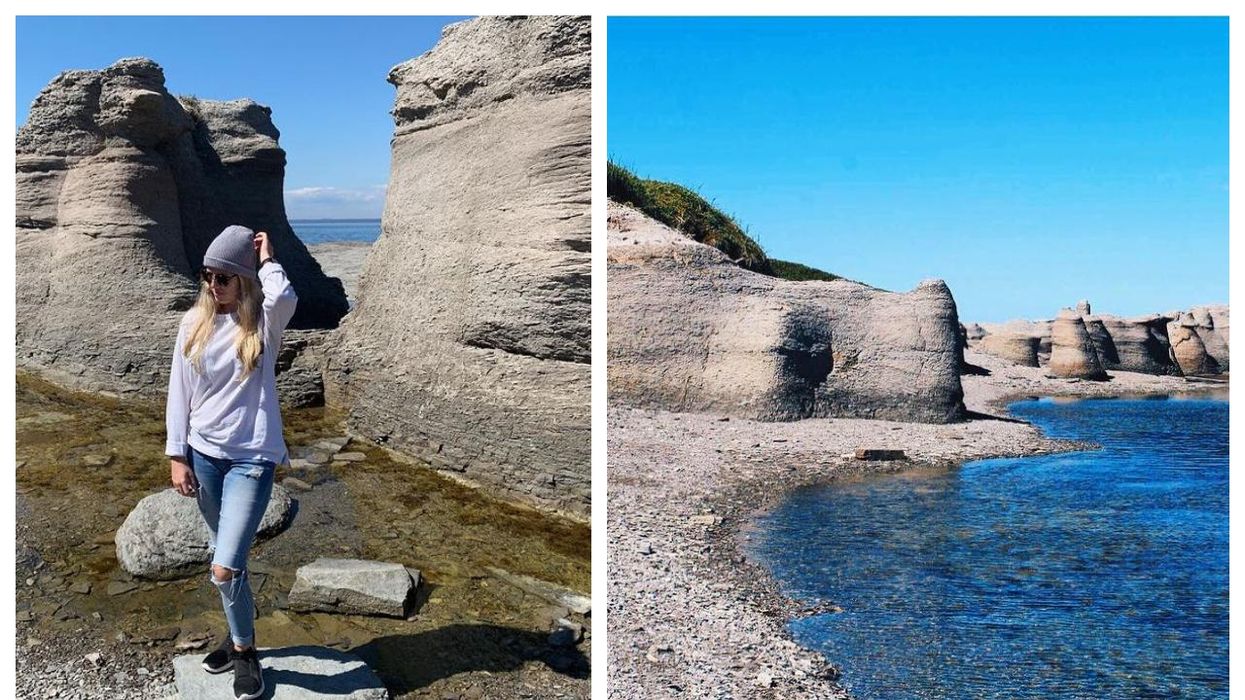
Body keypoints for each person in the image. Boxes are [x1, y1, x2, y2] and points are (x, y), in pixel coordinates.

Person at [164, 224, 297, 700]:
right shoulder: (192, 324)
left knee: (223, 568)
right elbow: (179, 394)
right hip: (204, 457)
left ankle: (244, 651)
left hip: (252, 460)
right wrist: (177, 455)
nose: (213, 285)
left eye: (224, 276)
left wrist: (267, 260)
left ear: (242, 280)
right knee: (230, 560)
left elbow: (285, 295)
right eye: (207, 275)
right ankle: (241, 637)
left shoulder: (262, 323)